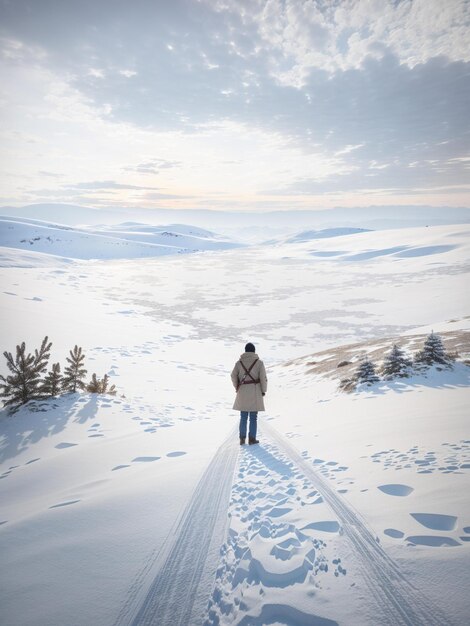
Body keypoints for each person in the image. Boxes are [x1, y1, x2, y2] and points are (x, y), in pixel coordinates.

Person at [231, 342, 268, 445]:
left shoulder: (239, 363)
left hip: (242, 391)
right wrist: (263, 390)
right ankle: (252, 439)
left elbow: (233, 376)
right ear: (254, 351)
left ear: (245, 351)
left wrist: (237, 386)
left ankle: (242, 439)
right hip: (255, 392)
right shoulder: (259, 363)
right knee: (253, 417)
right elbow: (263, 379)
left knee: (243, 416)